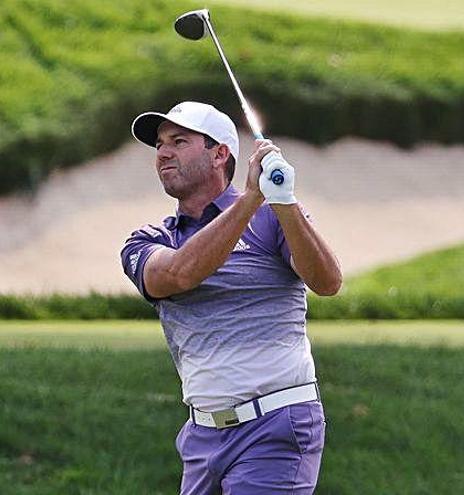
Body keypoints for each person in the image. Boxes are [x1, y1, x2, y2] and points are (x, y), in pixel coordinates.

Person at [121, 101, 342, 494]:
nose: (163, 153)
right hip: (201, 436)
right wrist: (250, 200)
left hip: (275, 425)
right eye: (159, 144)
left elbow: (327, 281)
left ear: (219, 153)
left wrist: (283, 202)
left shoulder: (272, 216)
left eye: (179, 141)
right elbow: (178, 274)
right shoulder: (149, 240)